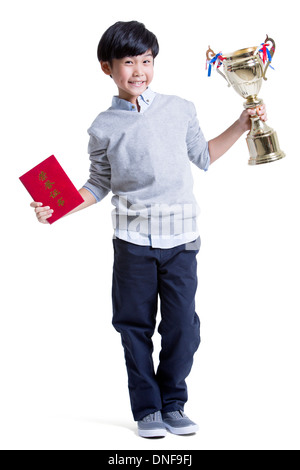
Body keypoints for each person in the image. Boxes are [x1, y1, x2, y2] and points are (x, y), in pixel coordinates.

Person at [30, 21, 267, 438]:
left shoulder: (180, 109)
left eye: (147, 61)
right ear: (107, 67)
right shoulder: (102, 126)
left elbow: (204, 156)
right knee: (132, 325)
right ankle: (147, 410)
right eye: (128, 62)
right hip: (133, 244)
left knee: (182, 328)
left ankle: (174, 403)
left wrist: (242, 124)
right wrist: (57, 209)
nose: (139, 70)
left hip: (181, 240)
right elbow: (98, 184)